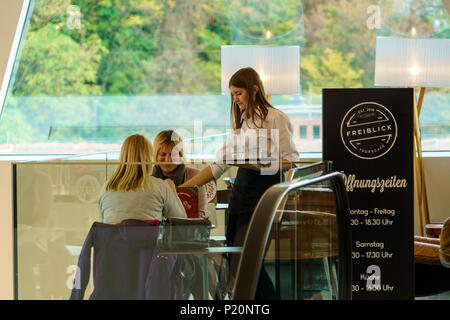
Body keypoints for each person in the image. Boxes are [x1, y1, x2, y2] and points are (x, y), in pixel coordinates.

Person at [179, 67, 299, 299]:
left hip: (264, 197)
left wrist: (261, 165)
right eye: (232, 94)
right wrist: (186, 187)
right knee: (235, 259)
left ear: (254, 90)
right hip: (241, 197)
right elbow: (218, 166)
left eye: (238, 93)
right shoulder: (241, 124)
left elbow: (291, 160)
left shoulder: (277, 118)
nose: (234, 99)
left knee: (249, 261)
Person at [98, 134, 186, 224]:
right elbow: (181, 222)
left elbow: (104, 224)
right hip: (149, 238)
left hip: (112, 238)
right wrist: (172, 190)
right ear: (148, 158)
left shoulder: (106, 187)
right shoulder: (160, 186)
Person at [151, 129, 207, 218]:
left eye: (173, 154)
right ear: (155, 155)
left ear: (181, 155)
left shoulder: (195, 176)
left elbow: (200, 216)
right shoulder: (147, 178)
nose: (168, 159)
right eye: (163, 154)